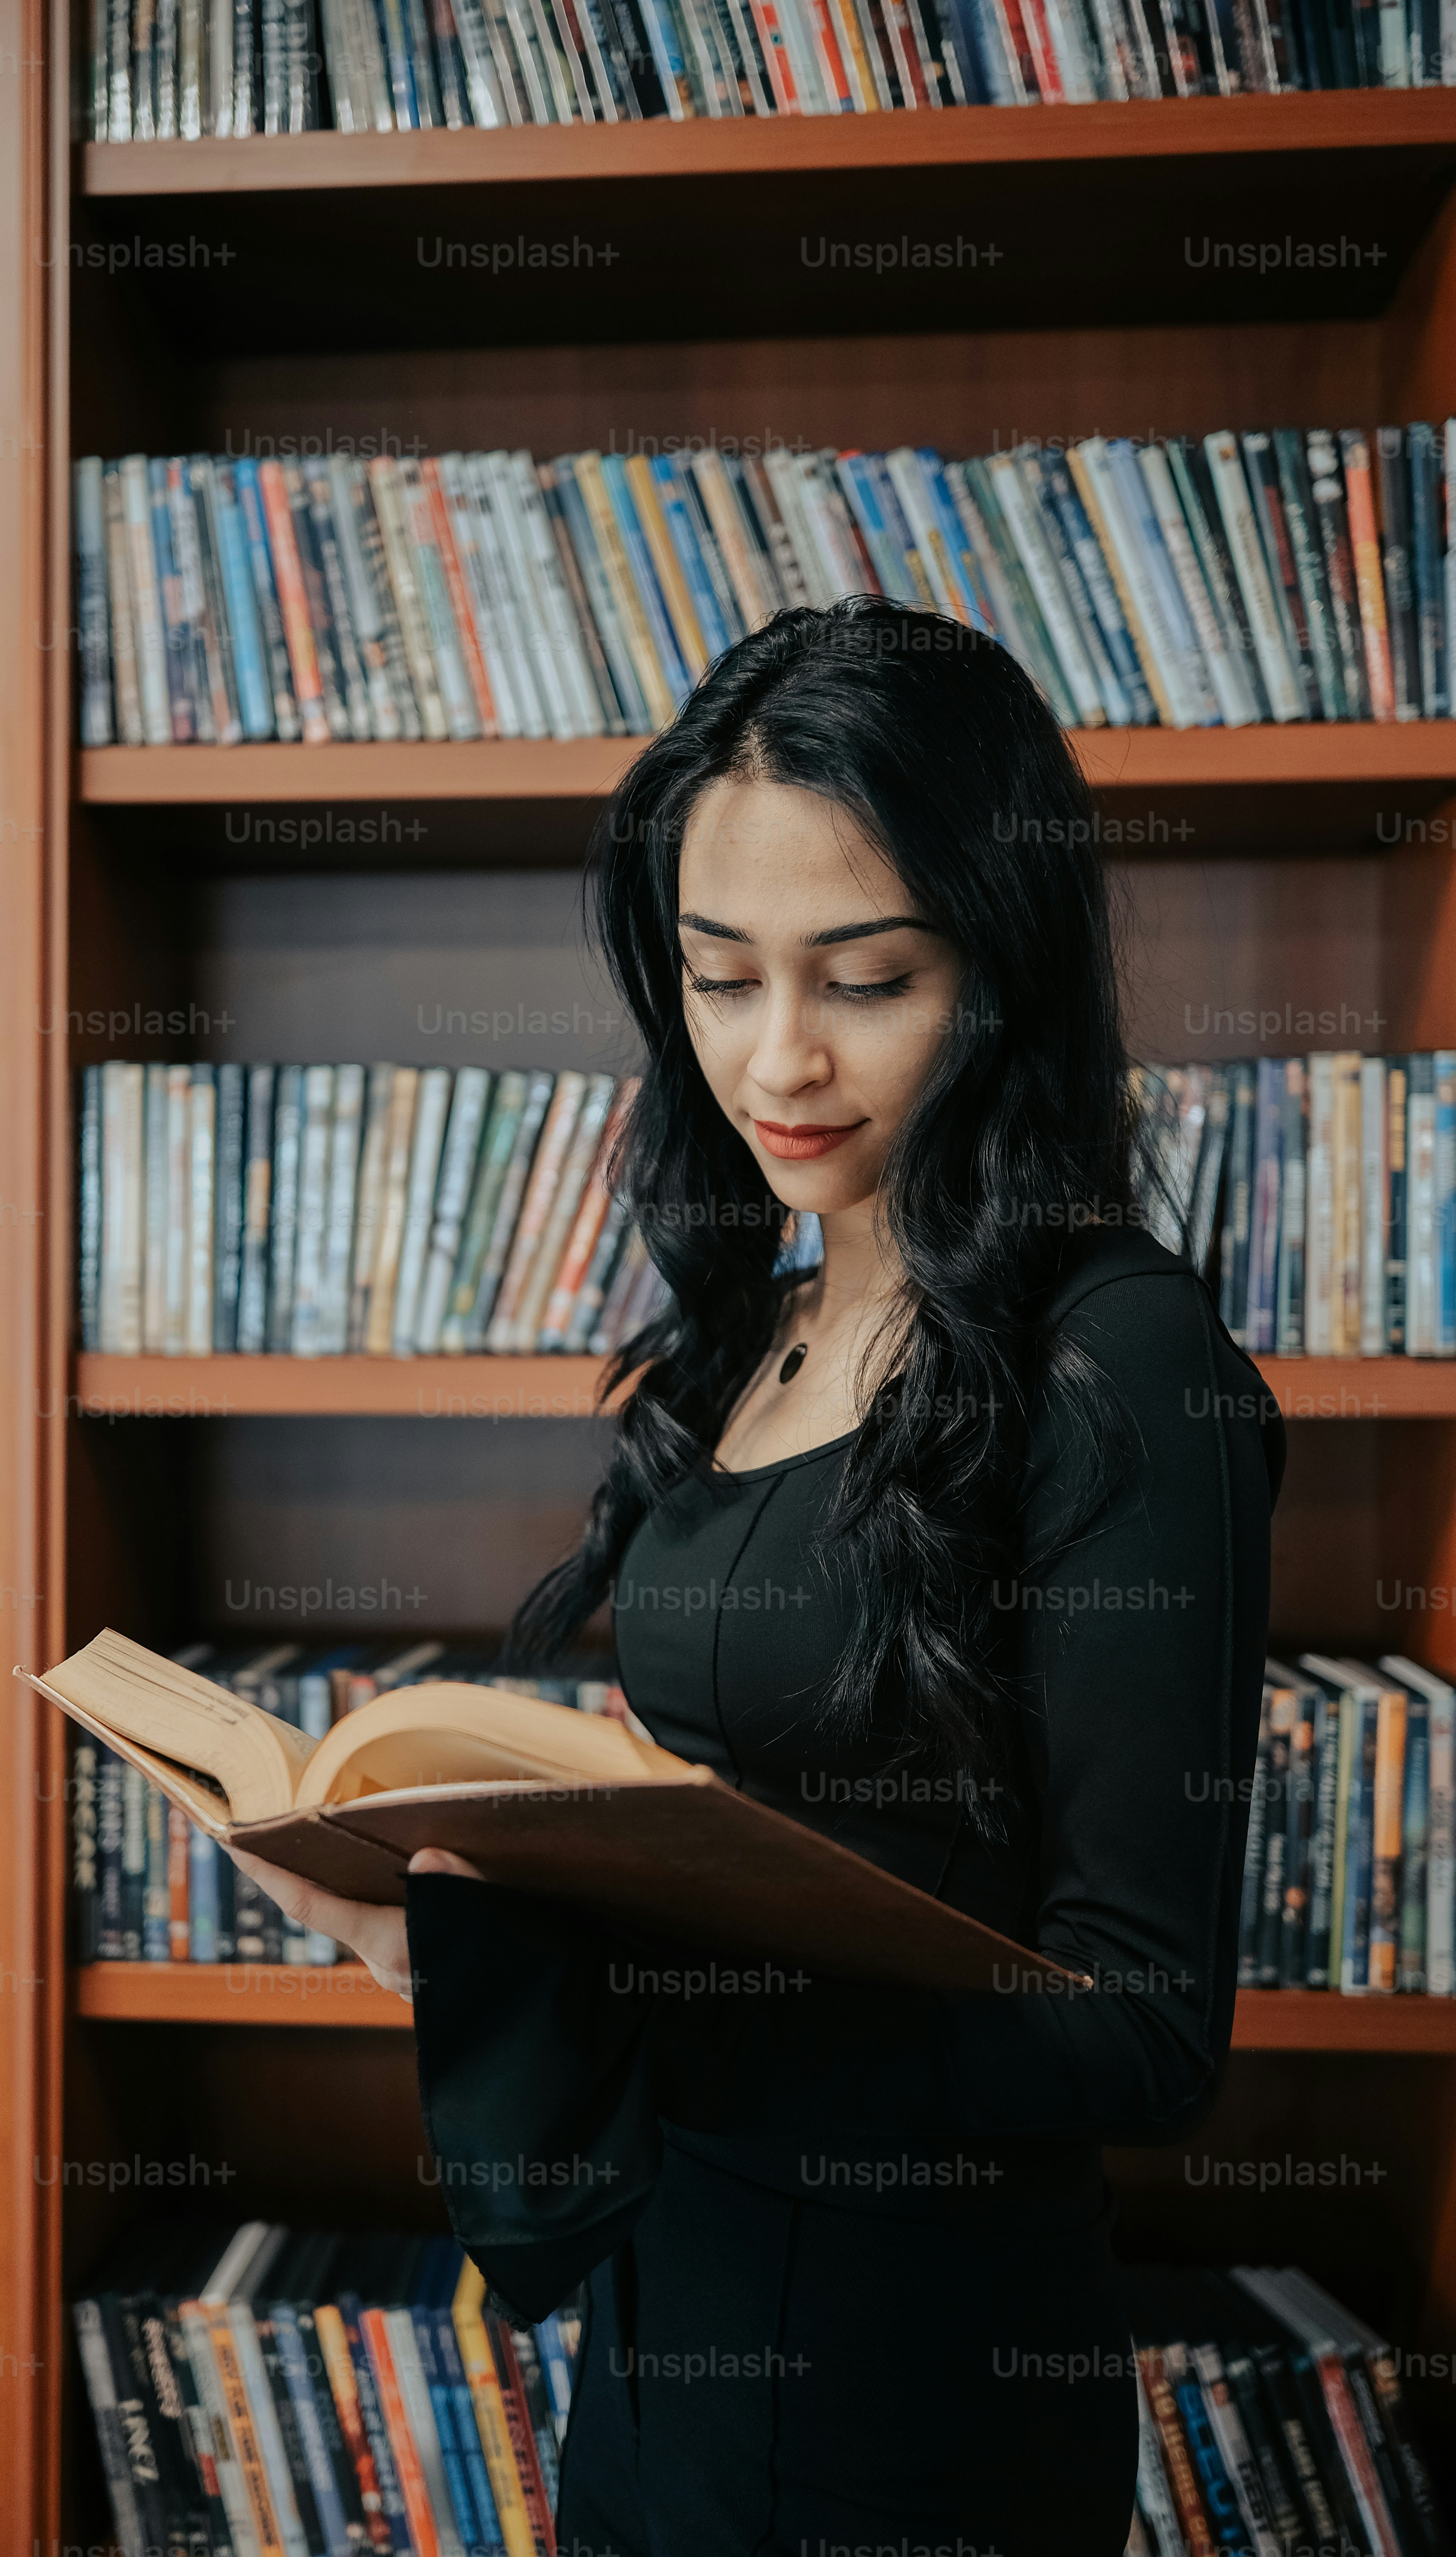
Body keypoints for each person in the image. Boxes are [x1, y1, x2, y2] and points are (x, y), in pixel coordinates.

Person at [229, 598, 1285, 2557]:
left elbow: (1146, 2029)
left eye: (865, 978)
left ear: (1004, 967)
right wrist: (427, 1918)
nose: (777, 1057)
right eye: (718, 980)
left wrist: (619, 1998)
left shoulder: (1120, 1367)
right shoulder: (763, 1327)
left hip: (915, 2397)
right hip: (667, 2320)